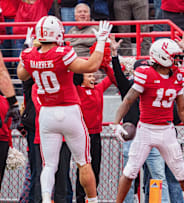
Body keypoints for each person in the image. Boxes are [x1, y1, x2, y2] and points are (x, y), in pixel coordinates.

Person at [16, 15, 112, 203]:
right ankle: (93, 200)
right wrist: (100, 42)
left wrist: (27, 50)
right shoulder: (62, 52)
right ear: (57, 33)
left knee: (49, 165)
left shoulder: (30, 55)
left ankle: (45, 199)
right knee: (84, 162)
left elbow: (21, 74)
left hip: (46, 114)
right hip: (69, 111)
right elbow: (91, 65)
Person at [113, 38, 184, 203]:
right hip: (146, 129)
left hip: (167, 130)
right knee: (130, 171)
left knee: (181, 172)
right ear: (163, 57)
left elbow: (182, 107)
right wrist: (116, 123)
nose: (177, 60)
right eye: (174, 56)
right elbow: (128, 99)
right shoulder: (146, 73)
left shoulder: (178, 76)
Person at [73, 40, 117, 203]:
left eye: (93, 75)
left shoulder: (98, 89)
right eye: (89, 75)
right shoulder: (77, 91)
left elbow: (112, 79)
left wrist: (105, 65)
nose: (93, 78)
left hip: (96, 135)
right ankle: (79, 198)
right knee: (83, 168)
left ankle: (92, 197)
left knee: (96, 168)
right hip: (82, 135)